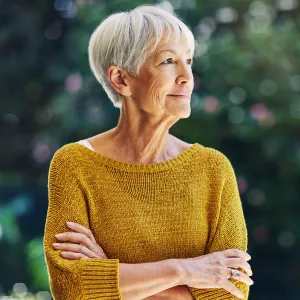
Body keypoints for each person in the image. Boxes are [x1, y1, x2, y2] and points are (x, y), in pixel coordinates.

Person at [43, 4, 254, 300]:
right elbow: (71, 288)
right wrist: (185, 271)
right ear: (121, 79)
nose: (186, 77)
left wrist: (107, 275)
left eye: (189, 61)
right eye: (168, 61)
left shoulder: (213, 169)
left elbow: (231, 291)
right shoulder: (74, 164)